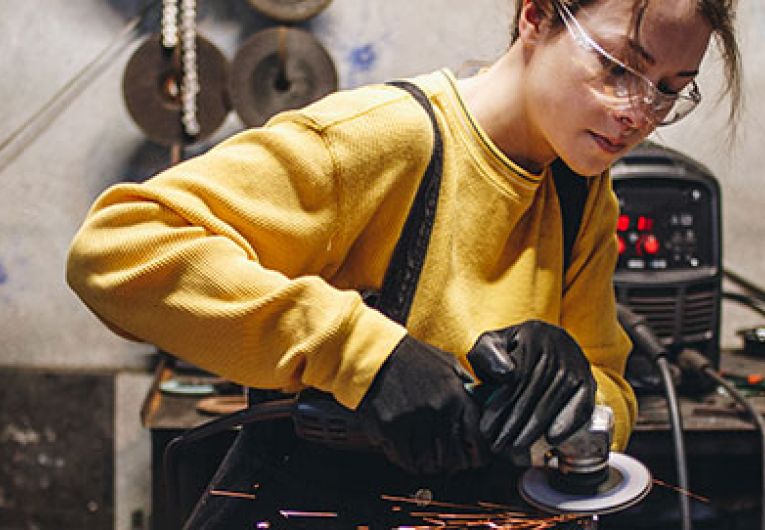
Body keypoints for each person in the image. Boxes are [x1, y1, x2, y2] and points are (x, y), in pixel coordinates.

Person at [67, 0, 741, 526]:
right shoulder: (381, 138)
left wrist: (576, 399)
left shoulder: (579, 185)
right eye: (618, 68)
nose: (638, 114)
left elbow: (613, 394)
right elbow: (118, 247)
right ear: (535, 15)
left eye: (667, 89)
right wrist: (363, 353)